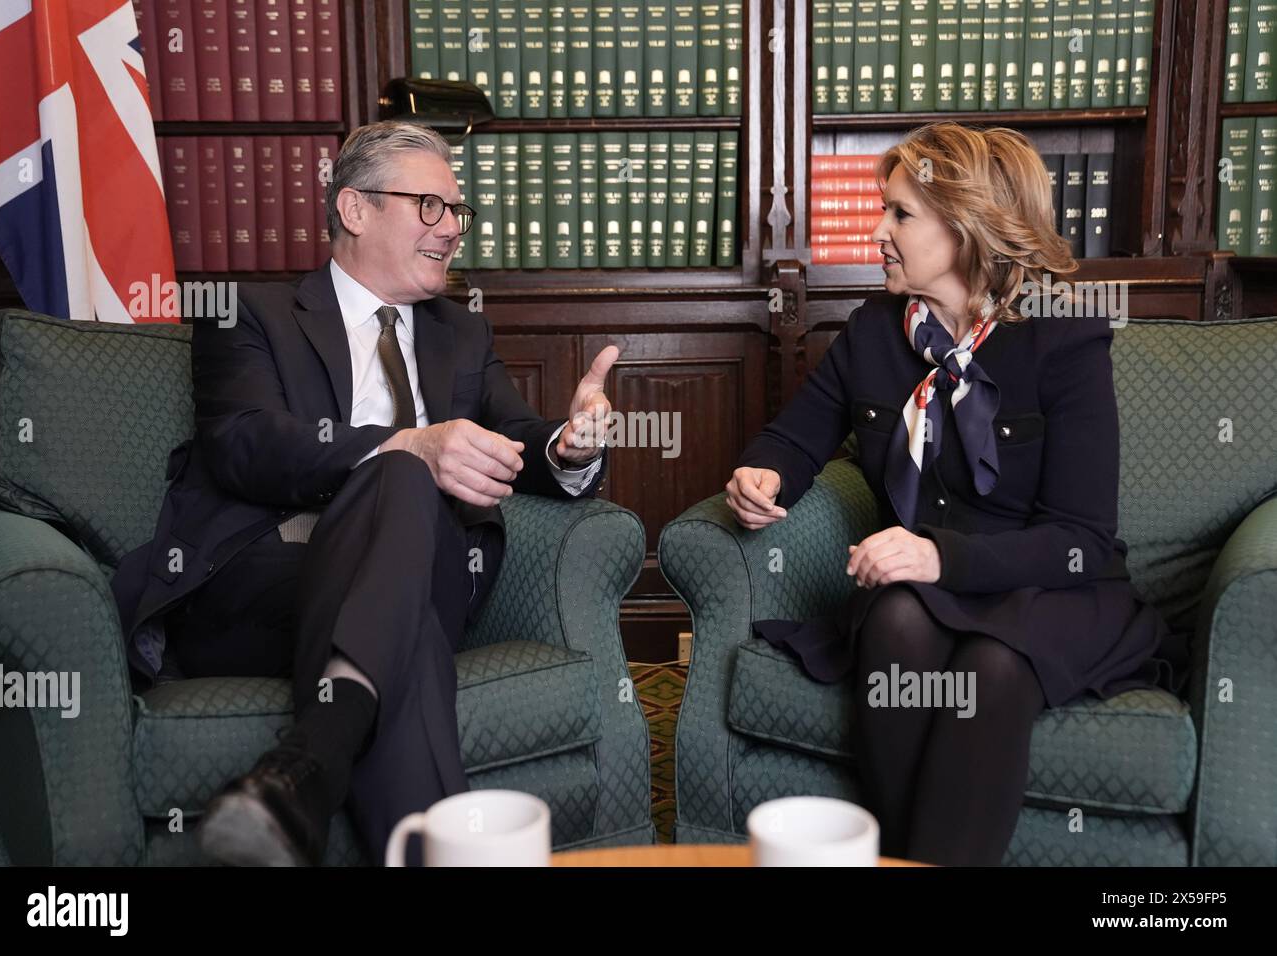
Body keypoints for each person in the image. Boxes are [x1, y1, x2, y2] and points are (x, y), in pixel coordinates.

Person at [110, 121, 620, 866]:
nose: (452, 229)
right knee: (405, 581)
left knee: (407, 495)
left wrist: (570, 445)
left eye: (457, 211)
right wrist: (404, 445)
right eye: (430, 207)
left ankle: (305, 770)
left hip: (432, 569)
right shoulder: (253, 312)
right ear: (354, 209)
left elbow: (518, 436)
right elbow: (243, 442)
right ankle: (338, 770)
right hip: (263, 585)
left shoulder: (460, 335)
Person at [723, 122, 1185, 866]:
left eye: (899, 214)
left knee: (989, 668)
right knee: (895, 623)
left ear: (967, 226)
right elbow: (795, 436)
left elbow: (1080, 541)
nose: (876, 231)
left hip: (1049, 589)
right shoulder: (873, 334)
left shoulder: (1063, 345)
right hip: (916, 584)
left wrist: (938, 556)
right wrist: (763, 473)